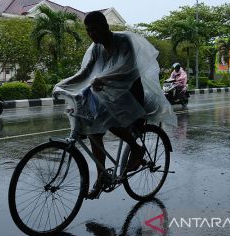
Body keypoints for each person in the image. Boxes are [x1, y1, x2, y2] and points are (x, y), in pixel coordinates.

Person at [53, 11, 176, 199]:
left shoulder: (123, 42)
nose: (91, 33)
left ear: (105, 26)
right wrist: (62, 84)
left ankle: (136, 149)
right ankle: (102, 176)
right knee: (93, 128)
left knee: (108, 120)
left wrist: (103, 78)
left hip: (132, 95)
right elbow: (86, 73)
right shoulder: (96, 48)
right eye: (88, 30)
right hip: (109, 94)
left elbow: (129, 70)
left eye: (94, 29)